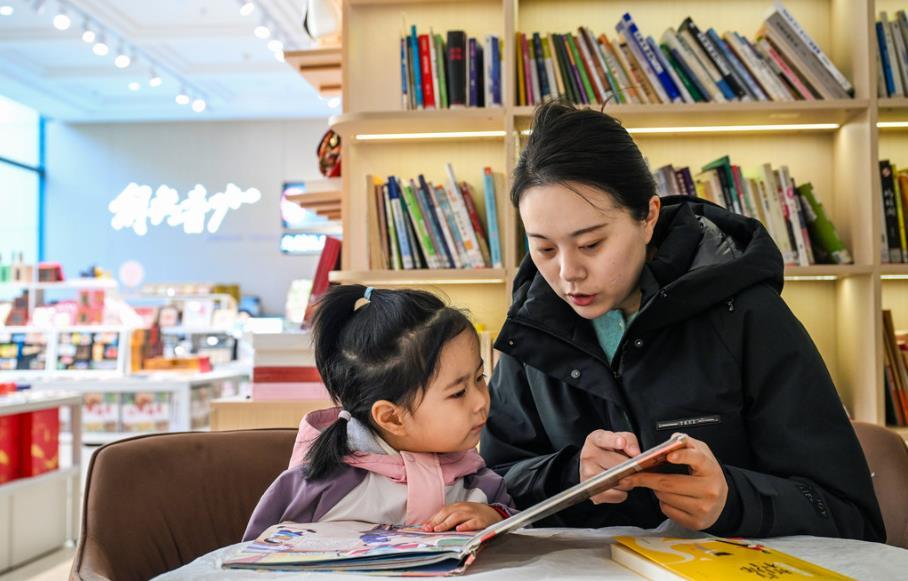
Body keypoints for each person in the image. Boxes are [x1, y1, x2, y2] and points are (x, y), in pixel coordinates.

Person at [480, 100, 885, 541]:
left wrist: (732, 500)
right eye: (544, 248)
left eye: (592, 244)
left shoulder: (747, 314)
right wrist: (569, 473)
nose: (567, 273)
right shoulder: (531, 328)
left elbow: (850, 515)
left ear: (648, 217)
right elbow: (491, 486)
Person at [243, 285, 514, 541]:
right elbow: (252, 558)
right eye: (458, 393)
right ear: (391, 417)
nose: (481, 400)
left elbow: (524, 544)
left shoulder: (481, 484)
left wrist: (497, 518)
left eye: (480, 377)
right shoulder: (316, 487)